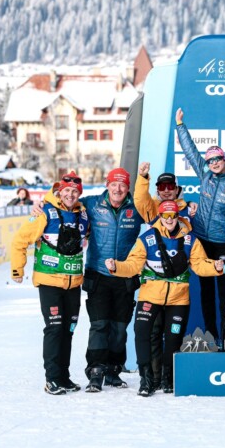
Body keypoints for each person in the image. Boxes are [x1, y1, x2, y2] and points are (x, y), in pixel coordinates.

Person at [104, 200, 224, 396]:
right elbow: (133, 265)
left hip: (178, 298)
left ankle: (168, 379)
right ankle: (146, 380)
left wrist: (215, 267)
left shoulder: (190, 240)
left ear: (178, 216)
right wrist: (116, 266)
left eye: (173, 215)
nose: (169, 219)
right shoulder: (147, 238)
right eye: (165, 216)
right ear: (159, 216)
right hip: (150, 296)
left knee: (173, 339)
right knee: (141, 333)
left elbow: (200, 264)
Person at [11, 172, 89, 395]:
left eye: (75, 191)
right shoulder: (44, 211)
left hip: (73, 283)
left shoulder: (83, 214)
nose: (70, 195)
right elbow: (20, 240)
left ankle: (63, 377)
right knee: (54, 329)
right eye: (67, 191)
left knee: (68, 330)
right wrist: (17, 269)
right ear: (59, 192)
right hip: (49, 280)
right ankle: (52, 379)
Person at [175, 108, 225, 347]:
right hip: (202, 241)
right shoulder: (205, 174)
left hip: (224, 242)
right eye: (211, 160)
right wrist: (180, 126)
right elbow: (190, 152)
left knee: (224, 291)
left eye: (218, 159)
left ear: (224, 161)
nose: (214, 163)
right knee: (205, 290)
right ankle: (212, 335)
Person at [79, 168, 144, 392]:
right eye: (114, 184)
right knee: (99, 325)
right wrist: (43, 204)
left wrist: (188, 205)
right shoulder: (91, 204)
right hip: (98, 274)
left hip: (125, 275)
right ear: (107, 185)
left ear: (128, 188)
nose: (118, 189)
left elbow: (162, 212)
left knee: (119, 327)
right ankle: (96, 371)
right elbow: (64, 202)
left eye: (122, 185)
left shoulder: (137, 206)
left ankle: (113, 370)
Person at [134, 163, 195, 389]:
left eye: (170, 186)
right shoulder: (152, 209)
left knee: (172, 335)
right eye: (162, 187)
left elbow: (193, 242)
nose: (167, 190)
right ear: (157, 190)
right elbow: (140, 200)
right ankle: (153, 377)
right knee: (152, 332)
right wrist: (143, 178)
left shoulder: (188, 211)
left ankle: (168, 377)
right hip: (154, 284)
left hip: (177, 284)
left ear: (177, 189)